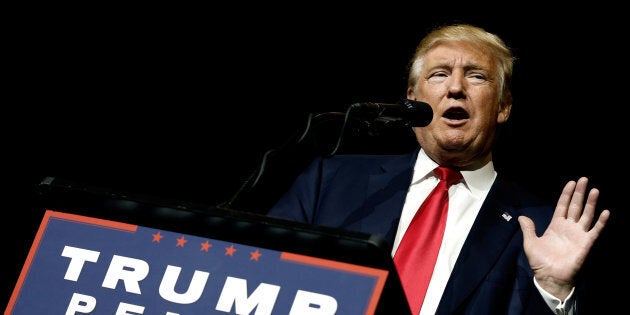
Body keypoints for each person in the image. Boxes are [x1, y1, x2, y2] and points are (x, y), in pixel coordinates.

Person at [266, 23, 610, 315]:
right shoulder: (331, 181)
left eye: (476, 76)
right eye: (440, 74)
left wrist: (553, 289)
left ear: (503, 107)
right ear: (413, 98)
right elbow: (261, 274)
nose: (455, 88)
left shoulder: (538, 228)